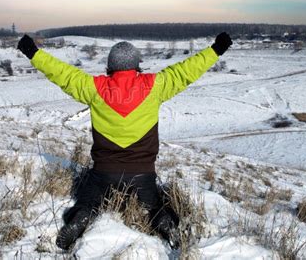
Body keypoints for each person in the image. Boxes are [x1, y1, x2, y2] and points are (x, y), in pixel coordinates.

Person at [17, 32, 232, 250]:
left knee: (88, 202)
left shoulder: (94, 88)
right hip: (142, 174)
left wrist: (33, 53)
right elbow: (186, 70)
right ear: (137, 65)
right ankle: (162, 221)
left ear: (110, 65)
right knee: (154, 205)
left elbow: (62, 73)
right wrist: (216, 49)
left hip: (103, 173)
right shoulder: (155, 85)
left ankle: (82, 216)